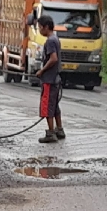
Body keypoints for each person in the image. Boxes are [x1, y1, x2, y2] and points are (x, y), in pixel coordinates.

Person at [35, 15, 64, 143]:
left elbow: (53, 59)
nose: (39, 30)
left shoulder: (50, 41)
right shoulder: (55, 38)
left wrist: (42, 71)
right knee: (55, 105)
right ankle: (59, 129)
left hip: (49, 79)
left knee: (47, 106)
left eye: (40, 27)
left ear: (46, 27)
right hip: (55, 79)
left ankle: (51, 133)